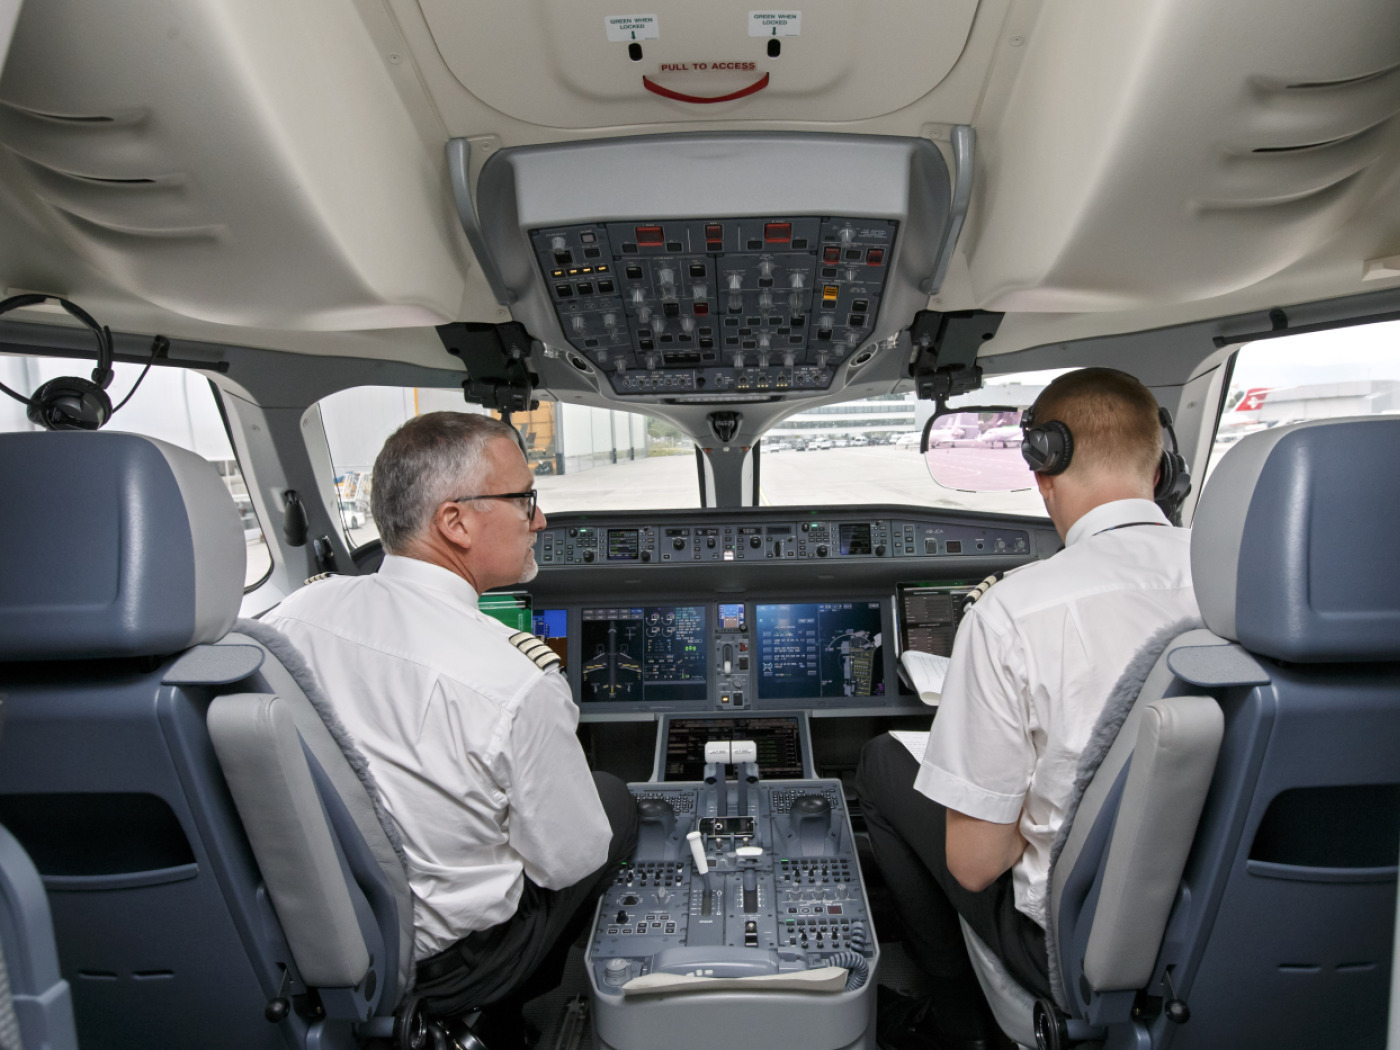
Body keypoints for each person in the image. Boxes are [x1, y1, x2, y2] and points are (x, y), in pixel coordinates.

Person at [264, 411, 637, 1048]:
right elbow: (569, 861)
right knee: (612, 807)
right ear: (455, 522)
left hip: (305, 933)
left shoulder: (293, 616)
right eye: (525, 500)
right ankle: (500, 1013)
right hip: (441, 966)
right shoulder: (515, 681)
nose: (540, 521)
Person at [856, 368, 1200, 1050]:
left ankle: (955, 1022)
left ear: (1044, 468)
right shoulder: (1248, 579)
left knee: (882, 762)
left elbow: (976, 866)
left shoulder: (1013, 610)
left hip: (1080, 944)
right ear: (1163, 467)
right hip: (1227, 912)